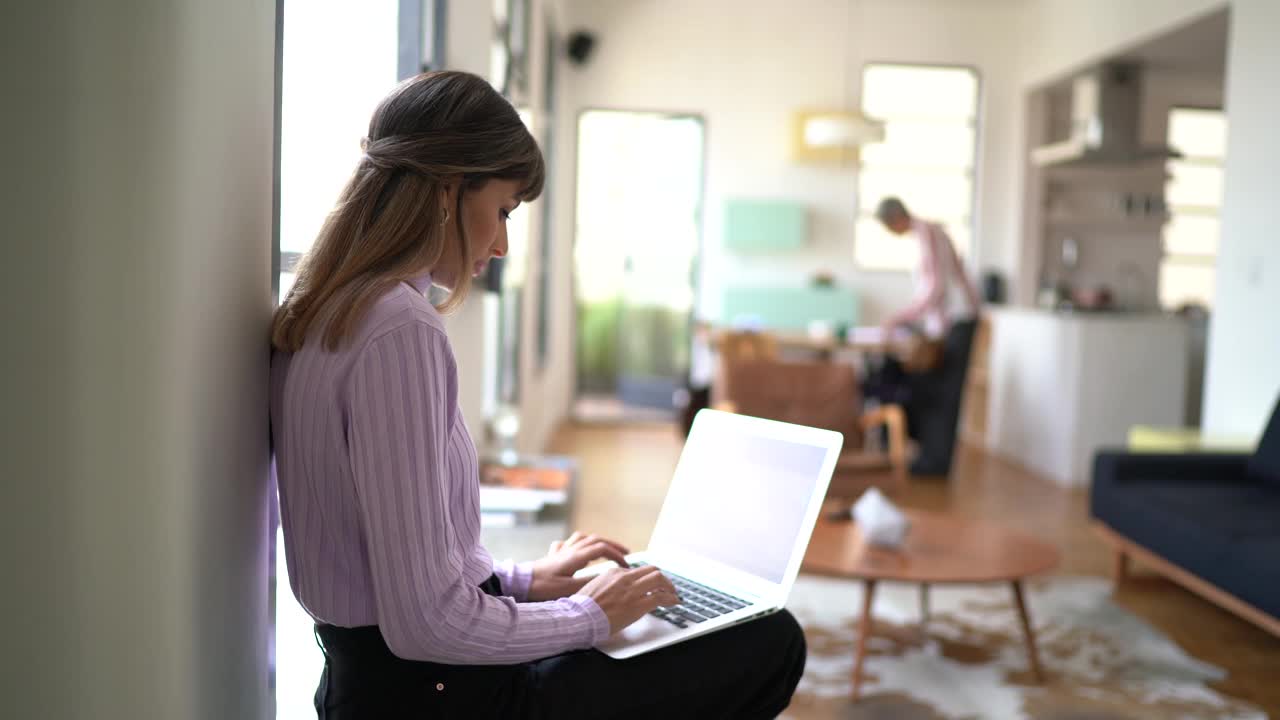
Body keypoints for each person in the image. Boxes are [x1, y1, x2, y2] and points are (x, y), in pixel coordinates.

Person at [269, 71, 806, 719]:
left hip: (376, 685)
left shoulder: (326, 308)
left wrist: (519, 583)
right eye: (502, 210)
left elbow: (388, 569)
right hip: (446, 698)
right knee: (771, 641)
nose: (500, 244)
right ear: (447, 188)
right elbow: (425, 626)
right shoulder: (398, 331)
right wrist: (589, 614)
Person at [872, 197, 982, 476]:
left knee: (944, 395)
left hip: (957, 323)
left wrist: (899, 318)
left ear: (894, 220)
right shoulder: (926, 234)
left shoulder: (928, 234)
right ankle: (929, 458)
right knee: (934, 391)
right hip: (948, 324)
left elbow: (935, 291)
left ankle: (935, 464)